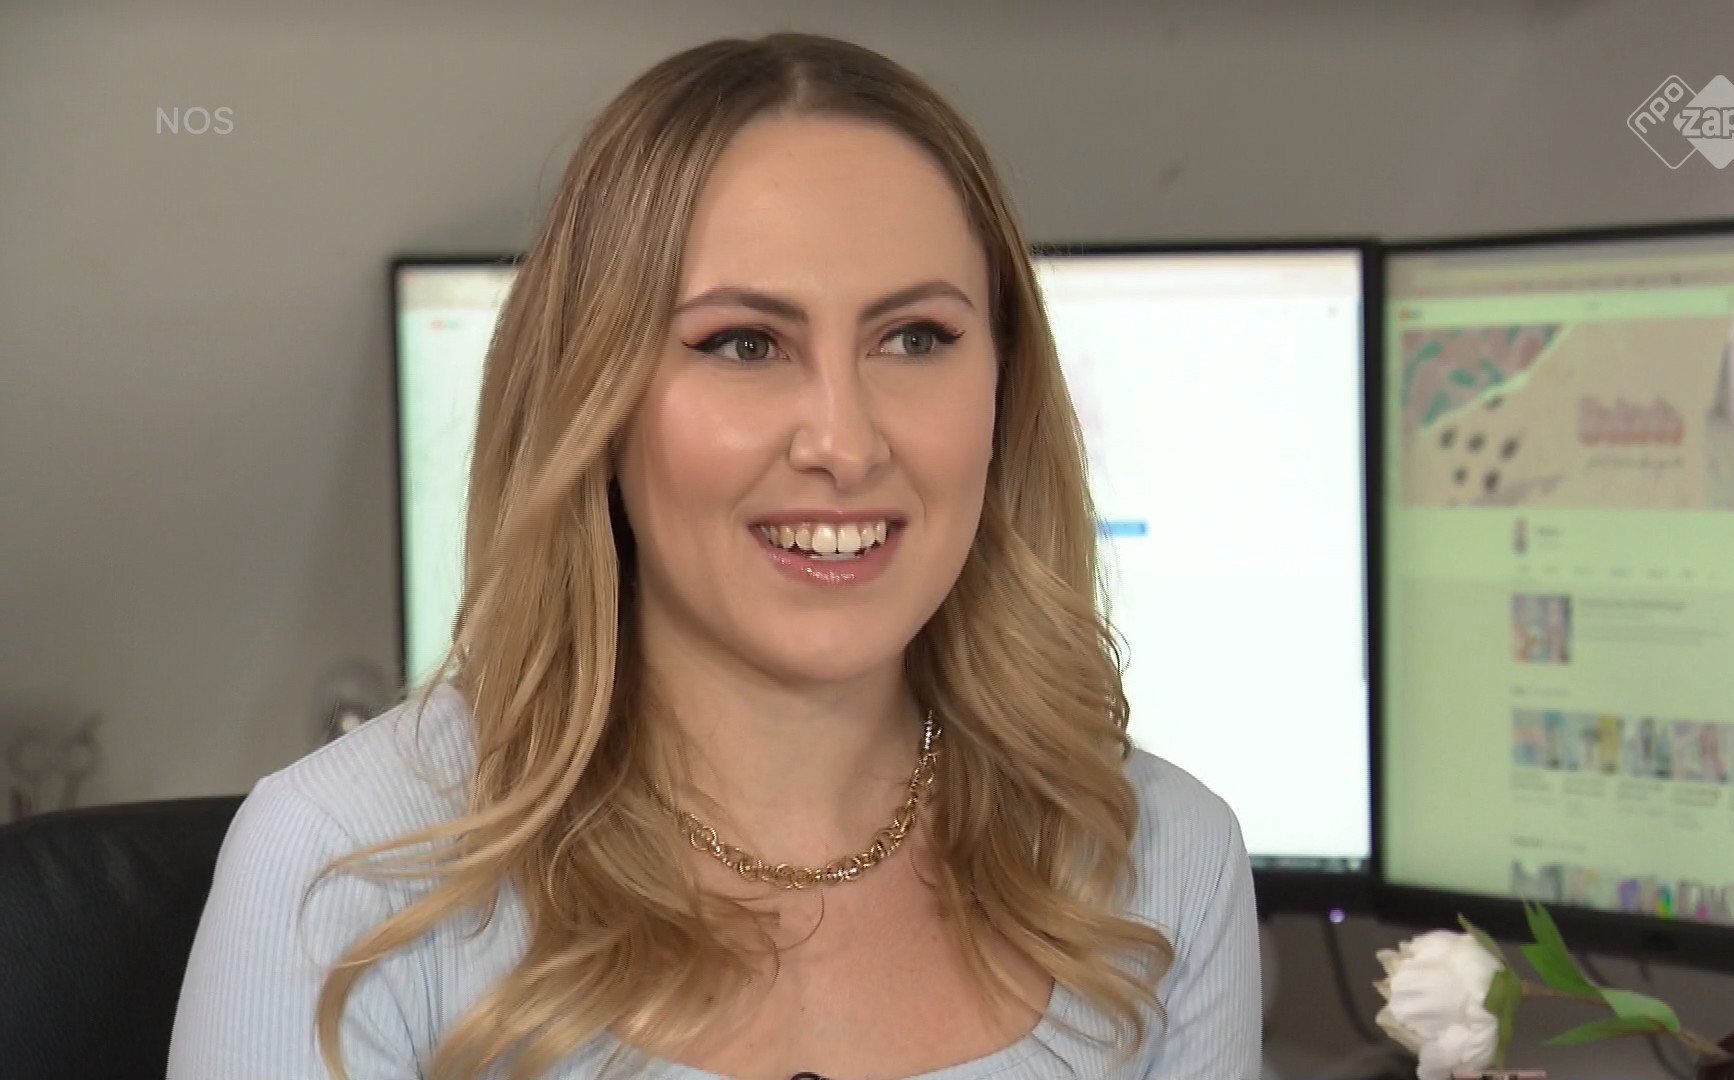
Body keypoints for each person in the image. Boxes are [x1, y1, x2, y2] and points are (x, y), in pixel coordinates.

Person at [166, 33, 1259, 1080]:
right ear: (596, 403)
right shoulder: (347, 869)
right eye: (745, 344)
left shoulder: (1165, 864)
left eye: (914, 337)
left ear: (1005, 387)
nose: (844, 444)